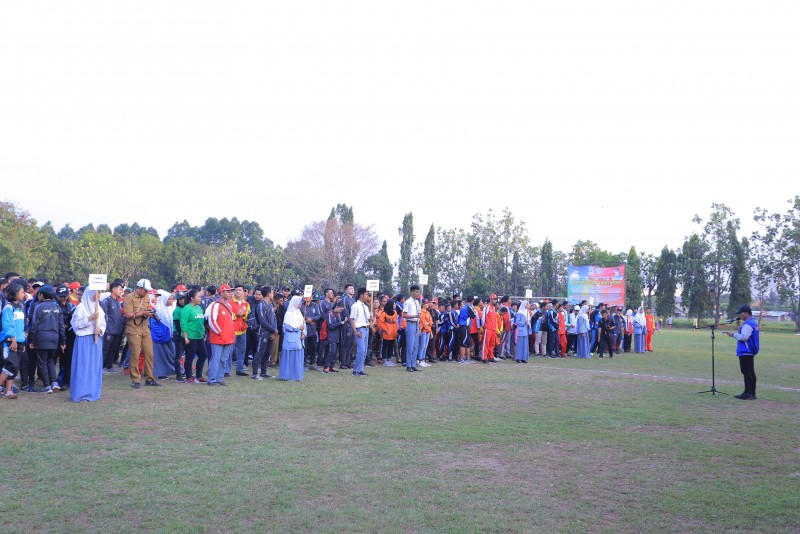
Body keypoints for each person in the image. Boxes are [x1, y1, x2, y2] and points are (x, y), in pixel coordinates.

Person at [70, 287, 106, 402]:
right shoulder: (81, 308)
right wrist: (90, 318)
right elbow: (76, 325)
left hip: (95, 340)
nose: (99, 295)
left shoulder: (99, 308)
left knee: (94, 366)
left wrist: (100, 330)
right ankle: (80, 393)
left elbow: (103, 324)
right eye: (97, 292)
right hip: (84, 340)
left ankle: (93, 392)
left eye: (100, 293)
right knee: (83, 366)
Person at [29, 285, 66, 393]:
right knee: (50, 360)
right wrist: (63, 341)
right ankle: (54, 382)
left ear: (41, 295)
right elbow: (61, 326)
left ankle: (47, 386)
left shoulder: (39, 307)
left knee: (42, 362)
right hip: (54, 337)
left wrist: (32, 340)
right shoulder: (57, 308)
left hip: (41, 337)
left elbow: (34, 325)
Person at [124, 279, 158, 389]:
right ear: (139, 288)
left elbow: (147, 311)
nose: (147, 292)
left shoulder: (147, 297)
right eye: (146, 290)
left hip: (145, 329)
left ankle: (149, 379)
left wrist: (150, 314)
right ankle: (135, 380)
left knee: (149, 354)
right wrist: (143, 312)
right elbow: (127, 314)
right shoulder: (129, 297)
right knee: (135, 354)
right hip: (133, 329)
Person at [723, 305, 760, 400]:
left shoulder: (748, 324)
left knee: (746, 372)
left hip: (746, 350)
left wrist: (733, 334)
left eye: (741, 313)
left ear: (746, 313)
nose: (740, 315)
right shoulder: (753, 323)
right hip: (750, 350)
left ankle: (748, 393)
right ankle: (751, 393)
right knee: (750, 372)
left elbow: (744, 337)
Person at [206, 284, 235, 386]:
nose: (230, 294)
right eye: (228, 291)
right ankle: (212, 379)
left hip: (228, 338)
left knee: (223, 359)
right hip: (218, 338)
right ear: (222, 292)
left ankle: (219, 378)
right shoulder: (215, 305)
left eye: (230, 291)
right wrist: (219, 332)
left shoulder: (229, 306)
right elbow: (212, 321)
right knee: (215, 359)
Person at [1, 282, 27, 399]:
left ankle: (8, 390)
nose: (24, 294)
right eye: (22, 292)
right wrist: (13, 340)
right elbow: (8, 325)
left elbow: (22, 326)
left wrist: (22, 341)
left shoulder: (20, 306)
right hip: (9, 341)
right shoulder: (8, 307)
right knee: (11, 364)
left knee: (14, 367)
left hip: (19, 341)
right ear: (15, 294)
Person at [181, 289, 207, 383]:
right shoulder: (187, 308)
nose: (200, 298)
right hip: (190, 337)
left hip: (199, 336)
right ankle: (189, 377)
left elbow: (201, 322)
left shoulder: (199, 308)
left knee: (203, 355)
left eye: (200, 297)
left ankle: (199, 376)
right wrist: (186, 337)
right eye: (198, 297)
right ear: (192, 298)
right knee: (190, 356)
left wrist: (203, 334)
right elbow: (183, 323)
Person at [252, 286, 277, 380]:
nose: (273, 294)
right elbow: (262, 321)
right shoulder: (261, 305)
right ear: (268, 294)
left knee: (267, 353)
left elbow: (273, 319)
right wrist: (273, 330)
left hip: (271, 332)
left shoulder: (270, 305)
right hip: (263, 332)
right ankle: (255, 374)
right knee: (259, 353)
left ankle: (264, 372)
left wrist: (274, 331)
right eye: (272, 293)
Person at [151, 290, 177, 380]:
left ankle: (175, 370)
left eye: (172, 299)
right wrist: (161, 334)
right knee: (160, 356)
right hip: (160, 338)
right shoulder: (157, 310)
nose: (171, 301)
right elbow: (154, 324)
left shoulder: (170, 309)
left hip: (169, 336)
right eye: (169, 299)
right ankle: (161, 373)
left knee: (172, 354)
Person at [279, 295, 306, 381]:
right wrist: (298, 329)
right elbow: (286, 327)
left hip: (299, 340)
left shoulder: (299, 313)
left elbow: (304, 326)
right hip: (290, 340)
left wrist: (304, 333)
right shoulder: (289, 314)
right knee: (289, 358)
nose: (300, 304)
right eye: (299, 302)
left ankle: (296, 375)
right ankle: (287, 376)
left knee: (297, 359)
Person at [100, 282, 124, 373]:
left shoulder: (118, 301)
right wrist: (105, 328)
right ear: (114, 289)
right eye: (120, 289)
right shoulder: (107, 301)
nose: (121, 291)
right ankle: (101, 367)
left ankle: (109, 367)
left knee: (113, 350)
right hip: (109, 331)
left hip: (117, 331)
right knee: (105, 349)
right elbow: (104, 316)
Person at [229, 284, 251, 377]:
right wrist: (236, 314)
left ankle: (240, 370)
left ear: (243, 292)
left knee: (242, 351)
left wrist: (244, 315)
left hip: (243, 330)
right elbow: (228, 316)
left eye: (240, 290)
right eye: (236, 290)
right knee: (230, 351)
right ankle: (227, 371)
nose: (238, 291)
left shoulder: (246, 304)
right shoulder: (230, 302)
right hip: (232, 330)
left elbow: (247, 317)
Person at [349, 288, 372, 376]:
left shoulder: (365, 307)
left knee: (364, 351)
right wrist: (355, 331)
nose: (367, 296)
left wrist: (371, 318)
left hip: (366, 328)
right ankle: (356, 370)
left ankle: (360, 369)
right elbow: (352, 319)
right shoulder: (355, 306)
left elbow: (367, 319)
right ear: (361, 295)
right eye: (366, 294)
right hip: (359, 329)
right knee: (361, 350)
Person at [402, 285, 422, 372]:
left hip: (416, 324)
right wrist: (415, 316)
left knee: (416, 346)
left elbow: (419, 315)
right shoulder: (408, 302)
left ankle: (413, 364)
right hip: (410, 324)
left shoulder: (417, 302)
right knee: (410, 345)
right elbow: (404, 315)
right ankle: (408, 365)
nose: (418, 293)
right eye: (416, 292)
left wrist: (419, 327)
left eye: (418, 292)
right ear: (412, 292)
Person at [323, 300, 347, 373]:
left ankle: (332, 366)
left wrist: (343, 323)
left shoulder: (338, 314)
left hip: (337, 335)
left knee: (335, 352)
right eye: (340, 309)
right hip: (331, 336)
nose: (341, 311)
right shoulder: (330, 314)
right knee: (331, 352)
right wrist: (340, 323)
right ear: (337, 307)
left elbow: (339, 325)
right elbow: (330, 326)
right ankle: (326, 366)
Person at [378, 298, 399, 366]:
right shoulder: (384, 313)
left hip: (393, 333)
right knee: (385, 346)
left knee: (391, 346)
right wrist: (385, 329)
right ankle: (384, 360)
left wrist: (397, 331)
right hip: (386, 333)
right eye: (394, 304)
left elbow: (396, 323)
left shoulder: (395, 312)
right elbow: (381, 323)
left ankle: (389, 359)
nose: (395, 305)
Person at [481, 294, 499, 363]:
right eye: (494, 299)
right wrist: (484, 326)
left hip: (493, 328)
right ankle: (484, 357)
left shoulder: (493, 308)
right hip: (488, 328)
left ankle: (491, 357)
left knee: (492, 344)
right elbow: (483, 317)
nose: (496, 300)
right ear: (491, 299)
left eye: (496, 299)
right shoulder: (487, 307)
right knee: (486, 343)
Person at [418, 298, 433, 367]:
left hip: (428, 331)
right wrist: (428, 324)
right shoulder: (421, 312)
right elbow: (423, 323)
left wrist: (430, 330)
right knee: (422, 346)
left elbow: (431, 322)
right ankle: (420, 360)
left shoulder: (428, 312)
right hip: (423, 330)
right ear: (423, 304)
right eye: (426, 303)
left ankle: (423, 360)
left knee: (425, 347)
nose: (428, 304)